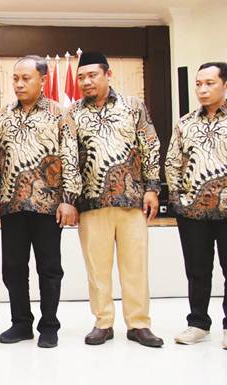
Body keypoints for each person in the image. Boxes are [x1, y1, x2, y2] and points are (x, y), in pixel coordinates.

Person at [70, 52, 163, 348]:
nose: (86, 82)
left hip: (132, 199)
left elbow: (149, 146)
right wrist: (70, 199)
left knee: (135, 265)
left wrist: (152, 188)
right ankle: (103, 322)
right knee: (97, 268)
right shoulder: (72, 113)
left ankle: (138, 324)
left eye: (92, 75)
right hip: (91, 203)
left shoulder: (133, 106)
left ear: (108, 74)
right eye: (81, 77)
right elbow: (69, 158)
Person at [0, 56, 81, 348]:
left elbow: (70, 156)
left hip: (48, 205)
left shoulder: (59, 114)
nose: (19, 83)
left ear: (42, 79)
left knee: (49, 268)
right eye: (15, 78)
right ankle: (21, 323)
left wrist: (69, 199)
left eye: (26, 78)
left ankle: (49, 326)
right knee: (13, 268)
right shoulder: (2, 115)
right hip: (12, 203)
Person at [166, 62, 227, 351]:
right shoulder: (185, 123)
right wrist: (178, 199)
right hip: (192, 212)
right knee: (197, 270)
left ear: (226, 85)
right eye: (199, 84)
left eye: (209, 83)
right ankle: (198, 323)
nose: (202, 90)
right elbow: (172, 162)